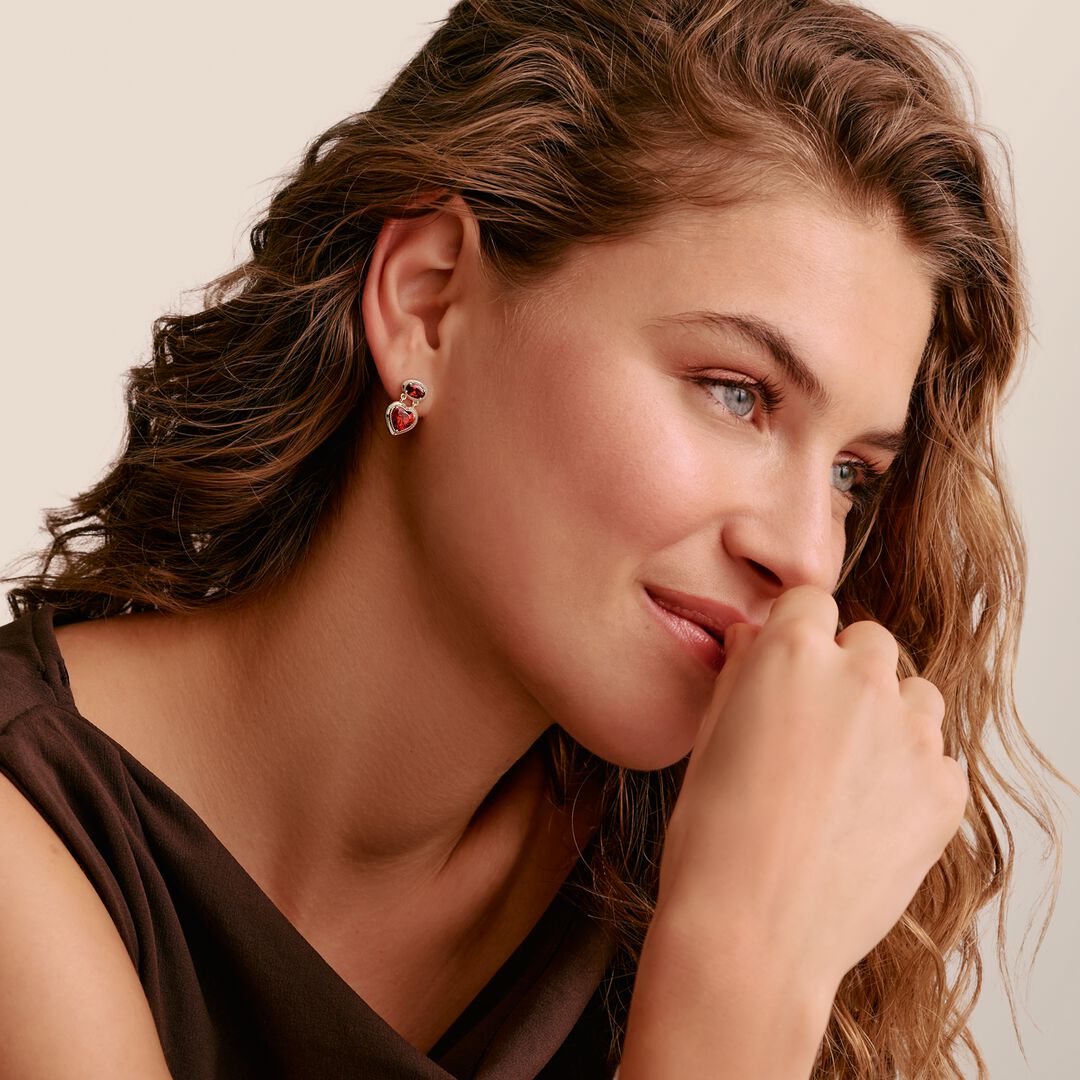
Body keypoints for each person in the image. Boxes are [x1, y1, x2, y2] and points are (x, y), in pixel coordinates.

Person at [0, 0, 1072, 1077]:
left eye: (851, 476)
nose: (805, 558)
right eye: (736, 392)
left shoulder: (699, 844)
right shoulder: (27, 843)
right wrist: (737, 973)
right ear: (428, 304)